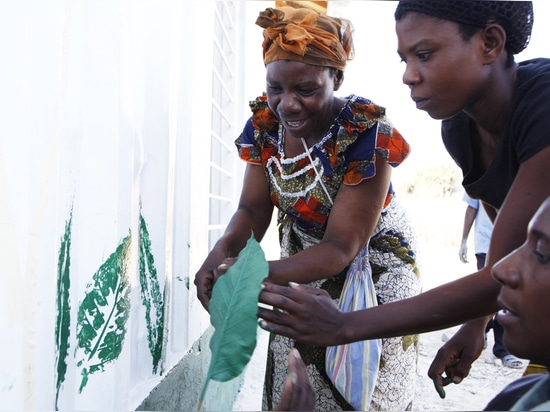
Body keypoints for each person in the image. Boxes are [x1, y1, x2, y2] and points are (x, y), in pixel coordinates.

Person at [257, 0, 550, 399]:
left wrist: (346, 325)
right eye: (404, 59)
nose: (409, 76)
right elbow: (510, 252)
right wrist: (475, 325)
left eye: (424, 55)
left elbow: (501, 270)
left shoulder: (543, 108)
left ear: (490, 43)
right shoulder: (460, 128)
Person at [194, 6, 421, 411]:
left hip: (371, 272)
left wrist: (251, 275)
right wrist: (221, 255)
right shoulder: (266, 126)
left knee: (358, 385)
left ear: (336, 77)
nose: (288, 105)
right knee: (294, 377)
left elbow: (340, 246)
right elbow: (251, 209)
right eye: (275, 87)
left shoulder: (366, 134)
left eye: (306, 89)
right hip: (300, 263)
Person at [278, 197, 550, 411]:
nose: (501, 270)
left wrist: (343, 324)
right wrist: (476, 323)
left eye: (542, 253)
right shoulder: (522, 396)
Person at [459, 193, 523, 369]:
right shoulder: (479, 174)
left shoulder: (520, 172)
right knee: (489, 291)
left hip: (513, 245)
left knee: (504, 293)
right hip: (485, 244)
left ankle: (501, 348)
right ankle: (480, 329)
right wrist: (464, 240)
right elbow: (472, 207)